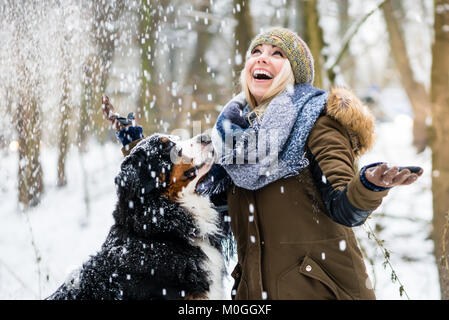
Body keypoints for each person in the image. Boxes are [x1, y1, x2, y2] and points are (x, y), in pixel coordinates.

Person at [103, 27, 422, 300]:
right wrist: (135, 145)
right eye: (256, 51)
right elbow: (186, 181)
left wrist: (369, 185)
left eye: (277, 53)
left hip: (321, 291)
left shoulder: (318, 123)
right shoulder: (231, 137)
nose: (262, 57)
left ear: (294, 73)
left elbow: (345, 207)